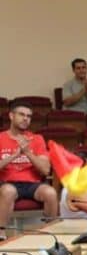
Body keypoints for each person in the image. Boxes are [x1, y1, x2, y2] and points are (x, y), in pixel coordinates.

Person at [0, 102, 58, 237]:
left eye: (29, 116)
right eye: (21, 114)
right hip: (6, 182)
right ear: (11, 116)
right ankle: (1, 234)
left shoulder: (37, 139)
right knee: (8, 191)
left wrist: (28, 153)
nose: (26, 118)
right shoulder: (1, 138)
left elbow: (45, 170)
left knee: (50, 193)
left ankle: (50, 234)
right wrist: (14, 155)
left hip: (32, 184)